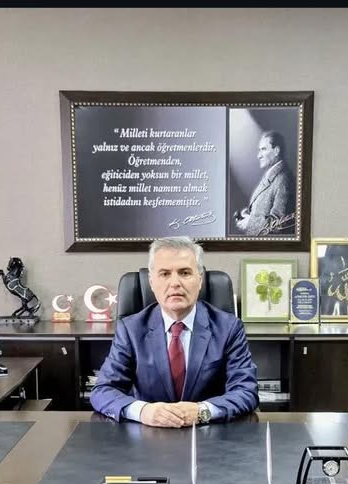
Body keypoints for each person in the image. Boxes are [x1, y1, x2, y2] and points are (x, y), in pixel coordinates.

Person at [90, 236, 258, 427]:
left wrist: (203, 411)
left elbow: (246, 391)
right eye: (164, 274)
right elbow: (103, 390)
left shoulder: (228, 327)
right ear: (151, 282)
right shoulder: (131, 329)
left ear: (200, 280)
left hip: (210, 434)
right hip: (148, 435)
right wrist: (143, 411)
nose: (175, 283)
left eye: (185, 273)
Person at [233, 131, 293, 235]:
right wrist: (249, 214)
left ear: (276, 151)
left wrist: (250, 222)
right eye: (259, 150)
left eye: (264, 149)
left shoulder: (283, 180)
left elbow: (279, 224)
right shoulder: (271, 175)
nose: (259, 156)